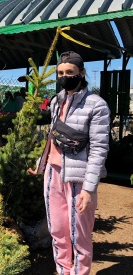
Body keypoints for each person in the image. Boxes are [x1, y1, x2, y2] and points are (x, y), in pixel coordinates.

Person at [28, 51, 110, 275]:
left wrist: (89, 188)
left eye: (70, 72)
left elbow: (99, 149)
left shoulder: (97, 106)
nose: (65, 77)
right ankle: (63, 270)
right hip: (52, 175)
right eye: (61, 73)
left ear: (81, 73)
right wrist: (40, 163)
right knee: (57, 230)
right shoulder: (57, 101)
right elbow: (52, 137)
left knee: (79, 234)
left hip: (78, 178)